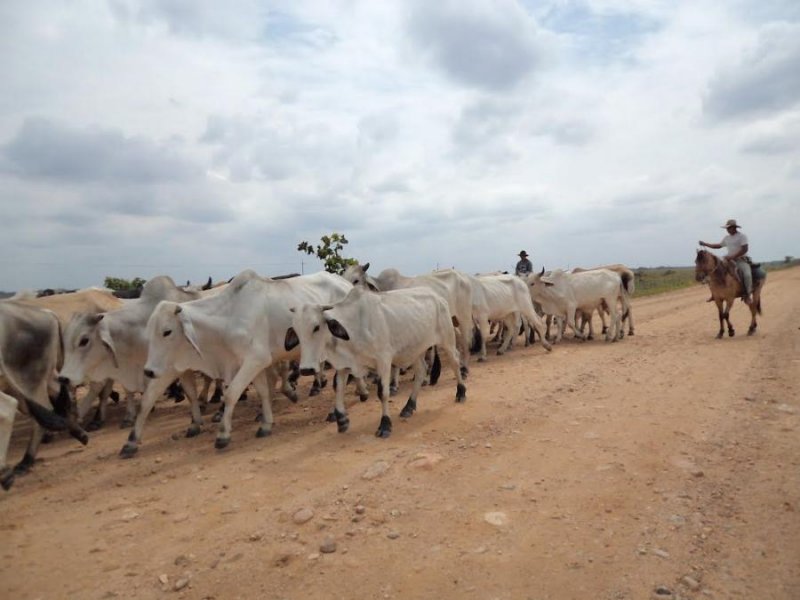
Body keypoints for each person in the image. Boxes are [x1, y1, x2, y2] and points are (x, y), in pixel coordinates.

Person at [699, 219, 753, 304]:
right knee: (714, 272)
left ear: (734, 227)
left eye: (729, 228)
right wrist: (705, 244)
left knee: (747, 275)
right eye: (727, 228)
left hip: (741, 260)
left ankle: (747, 295)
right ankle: (714, 294)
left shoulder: (742, 236)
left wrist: (732, 257)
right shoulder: (727, 238)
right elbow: (718, 246)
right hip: (728, 260)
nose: (727, 230)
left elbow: (745, 249)